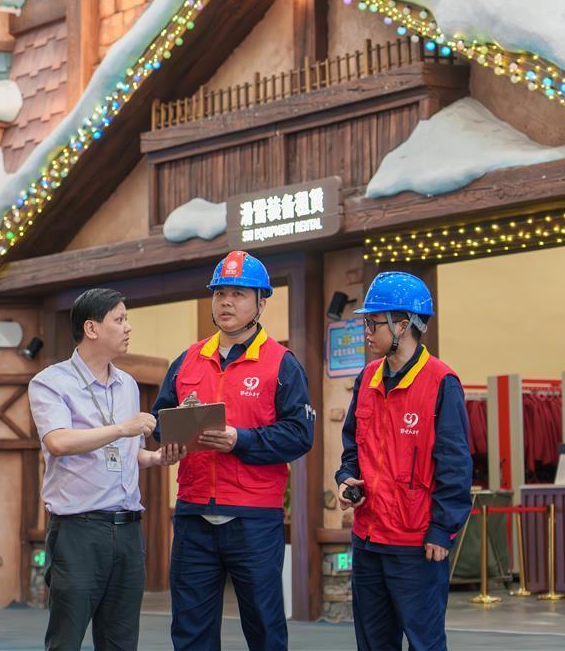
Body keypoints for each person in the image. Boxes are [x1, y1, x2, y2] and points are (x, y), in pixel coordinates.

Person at [151, 251, 315, 651]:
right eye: (220, 292)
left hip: (253, 519)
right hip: (192, 515)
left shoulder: (282, 364)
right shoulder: (187, 360)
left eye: (239, 294)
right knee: (190, 631)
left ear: (261, 302)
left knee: (263, 627)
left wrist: (240, 440)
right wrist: (168, 440)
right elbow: (160, 419)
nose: (226, 302)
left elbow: (299, 435)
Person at [29, 287, 185, 651]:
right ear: (92, 328)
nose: (128, 326)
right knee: (66, 640)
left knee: (120, 641)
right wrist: (122, 428)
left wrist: (156, 458)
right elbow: (58, 442)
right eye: (119, 319)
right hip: (78, 531)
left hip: (129, 531)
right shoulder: (51, 382)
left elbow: (130, 453)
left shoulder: (127, 384)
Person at [336, 271, 471, 651]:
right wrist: (347, 480)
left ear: (404, 323)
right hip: (367, 540)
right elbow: (352, 448)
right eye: (365, 322)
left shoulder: (441, 382)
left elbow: (455, 465)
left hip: (417, 544)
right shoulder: (366, 379)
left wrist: (442, 529)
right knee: (373, 644)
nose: (366, 330)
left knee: (425, 643)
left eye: (373, 322)